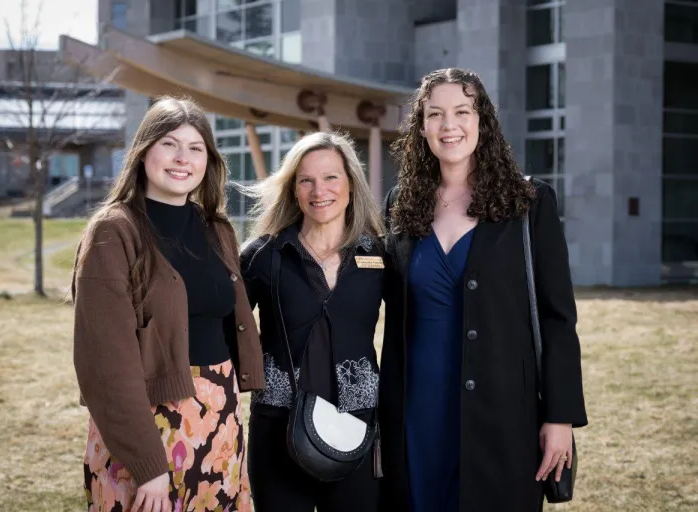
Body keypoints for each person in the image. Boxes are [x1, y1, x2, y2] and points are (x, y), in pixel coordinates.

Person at [379, 68, 588, 511]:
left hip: (504, 412)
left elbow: (558, 318)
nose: (448, 125)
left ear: (483, 121)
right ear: (421, 127)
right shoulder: (400, 204)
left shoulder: (529, 202)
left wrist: (560, 416)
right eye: (435, 114)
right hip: (416, 410)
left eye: (462, 111)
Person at [71, 97, 264, 512]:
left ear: (208, 161)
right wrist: (147, 465)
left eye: (195, 148)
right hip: (145, 431)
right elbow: (105, 364)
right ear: (144, 152)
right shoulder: (113, 233)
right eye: (169, 144)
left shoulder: (216, 229)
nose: (183, 159)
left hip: (219, 422)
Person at [239, 131, 385, 512]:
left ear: (351, 184)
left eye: (331, 177)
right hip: (278, 432)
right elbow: (224, 327)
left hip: (357, 430)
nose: (320, 191)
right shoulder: (263, 256)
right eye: (306, 180)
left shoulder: (378, 256)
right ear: (294, 189)